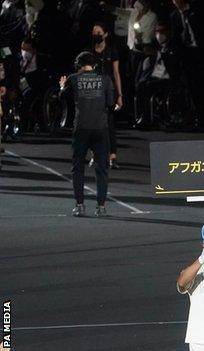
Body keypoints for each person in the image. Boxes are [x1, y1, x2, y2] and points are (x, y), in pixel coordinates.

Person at [59, 51, 115, 217]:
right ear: (94, 65)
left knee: (78, 168)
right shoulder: (105, 79)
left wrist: (62, 87)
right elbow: (111, 103)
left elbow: (62, 98)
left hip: (81, 128)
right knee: (102, 169)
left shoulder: (73, 78)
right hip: (100, 128)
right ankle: (101, 207)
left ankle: (79, 205)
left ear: (78, 65)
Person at [134, 22, 181, 126]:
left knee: (147, 87)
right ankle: (144, 116)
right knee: (141, 86)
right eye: (157, 31)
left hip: (167, 78)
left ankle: (147, 117)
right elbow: (141, 48)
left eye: (162, 31)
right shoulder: (155, 46)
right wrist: (138, 38)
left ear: (168, 32)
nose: (159, 34)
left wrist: (158, 53)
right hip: (154, 77)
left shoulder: (173, 46)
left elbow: (173, 62)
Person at [90, 22, 123, 169]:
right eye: (94, 32)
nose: (96, 35)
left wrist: (120, 95)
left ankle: (112, 156)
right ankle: (95, 154)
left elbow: (116, 73)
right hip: (93, 91)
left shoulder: (111, 51)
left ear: (105, 34)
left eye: (99, 32)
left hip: (108, 91)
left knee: (109, 124)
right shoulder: (89, 52)